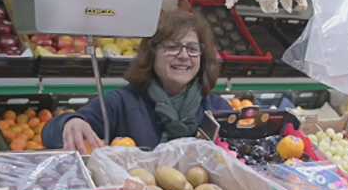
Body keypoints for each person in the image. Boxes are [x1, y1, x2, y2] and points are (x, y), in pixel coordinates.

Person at [42, 11, 232, 153]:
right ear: (152, 53)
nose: (183, 56)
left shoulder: (216, 109)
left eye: (192, 48)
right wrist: (70, 122)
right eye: (172, 47)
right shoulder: (121, 103)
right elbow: (49, 135)